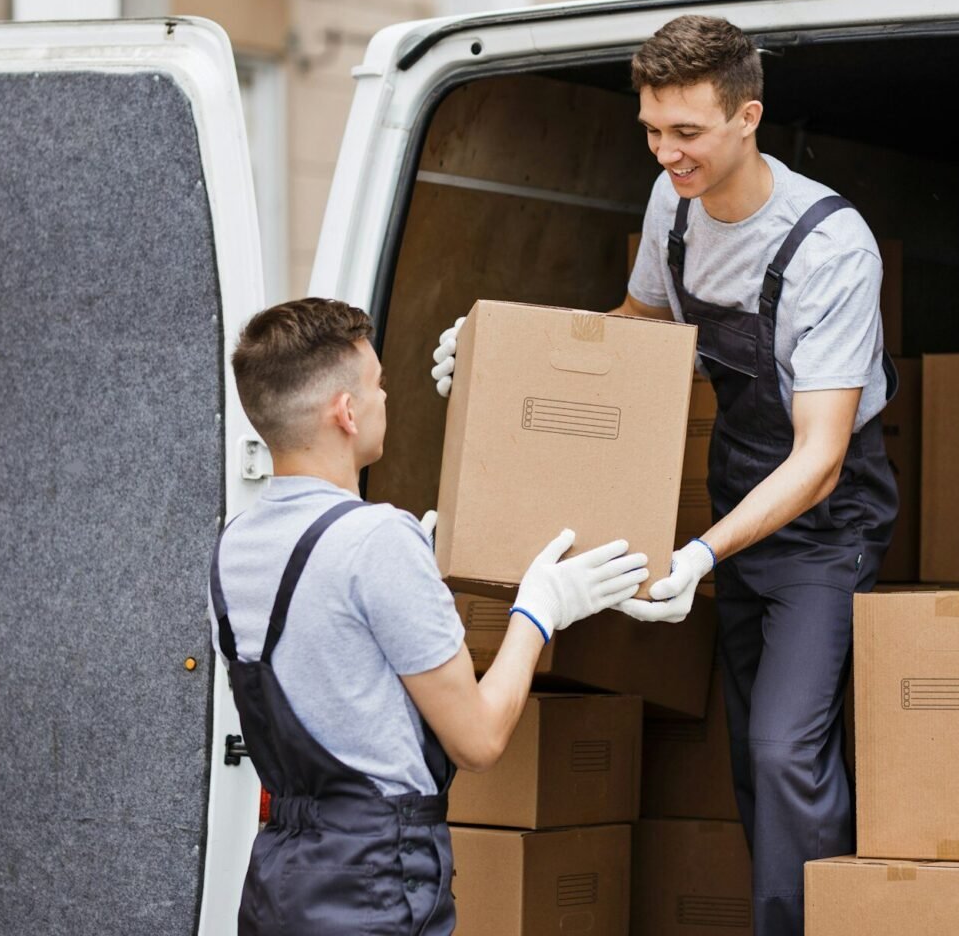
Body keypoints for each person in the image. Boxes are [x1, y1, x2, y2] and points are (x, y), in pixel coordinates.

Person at [431, 14, 897, 936]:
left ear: (748, 116)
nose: (665, 153)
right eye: (651, 129)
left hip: (824, 527)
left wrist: (699, 557)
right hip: (736, 499)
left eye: (687, 132)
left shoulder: (831, 248)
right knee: (751, 755)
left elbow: (820, 456)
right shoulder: (671, 205)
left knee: (783, 753)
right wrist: (496, 356)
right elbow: (637, 327)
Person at [211, 297, 647, 935]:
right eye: (378, 384)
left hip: (280, 885)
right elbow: (478, 740)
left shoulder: (234, 547)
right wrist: (539, 610)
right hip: (374, 886)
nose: (386, 398)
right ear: (346, 411)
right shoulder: (379, 542)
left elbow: (337, 675)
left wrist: (413, 580)